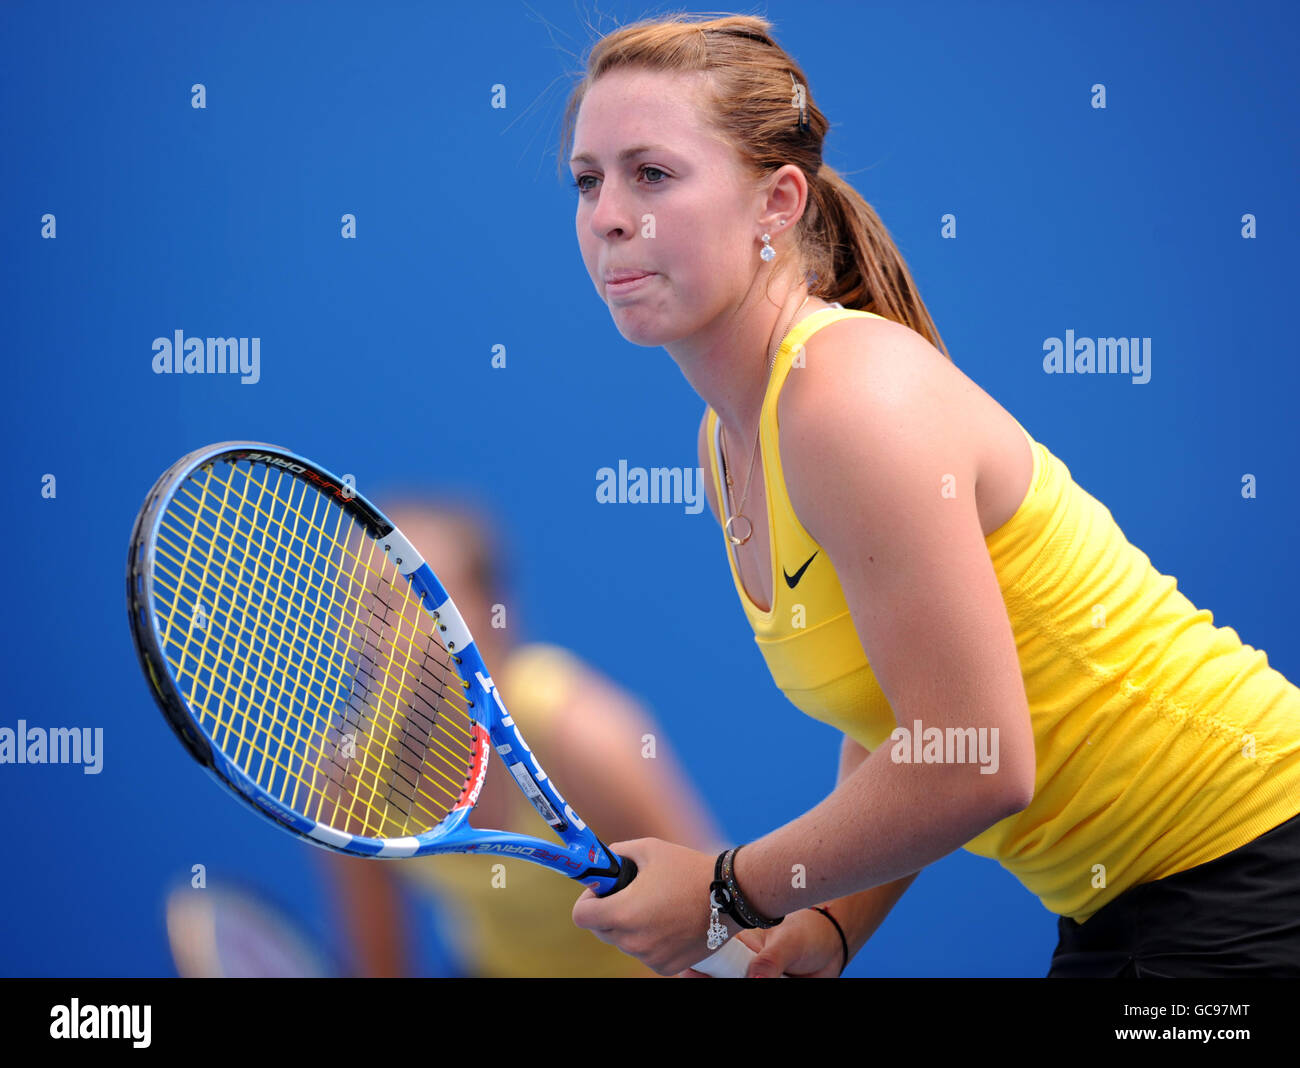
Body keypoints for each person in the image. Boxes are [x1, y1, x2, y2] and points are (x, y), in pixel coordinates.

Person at [562, 13, 1300, 978]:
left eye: (651, 174)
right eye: (587, 179)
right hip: (1129, 904)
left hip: (1256, 863)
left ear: (777, 203)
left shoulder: (847, 399)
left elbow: (977, 758)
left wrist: (725, 889)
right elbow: (901, 709)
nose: (609, 213)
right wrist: (830, 926)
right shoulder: (730, 438)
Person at [322, 497, 724, 977]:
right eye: (367, 608)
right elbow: (380, 966)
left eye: (414, 599)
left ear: (493, 612)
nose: (383, 633)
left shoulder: (581, 734)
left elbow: (713, 907)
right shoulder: (348, 779)